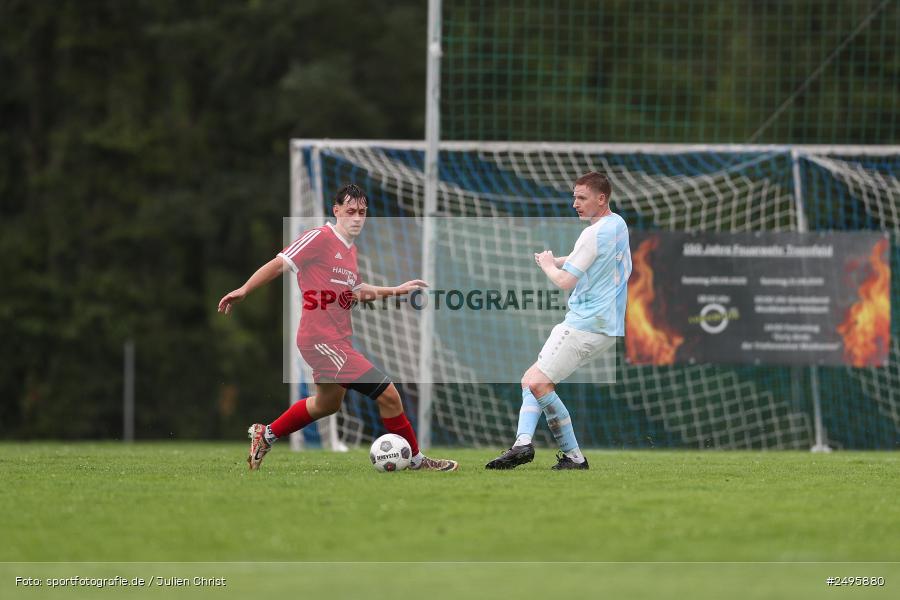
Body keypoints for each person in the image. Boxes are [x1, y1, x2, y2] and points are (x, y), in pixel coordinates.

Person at [218, 183, 458, 472]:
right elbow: (279, 263)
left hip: (338, 340)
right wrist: (244, 290)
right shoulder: (319, 237)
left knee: (326, 404)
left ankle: (265, 434)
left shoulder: (350, 250)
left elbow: (356, 290)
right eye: (350, 211)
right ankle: (418, 462)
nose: (357, 218)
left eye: (362, 212)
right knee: (389, 394)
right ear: (336, 211)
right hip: (320, 339)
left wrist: (398, 289)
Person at [485, 172, 631, 470]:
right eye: (574, 196)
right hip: (606, 327)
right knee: (532, 380)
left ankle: (561, 453)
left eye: (582, 198)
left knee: (537, 384)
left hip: (584, 324)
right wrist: (556, 259)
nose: (574, 203)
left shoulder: (592, 233)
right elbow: (588, 257)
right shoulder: (617, 224)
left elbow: (565, 282)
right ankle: (530, 445)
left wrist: (550, 267)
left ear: (601, 199)